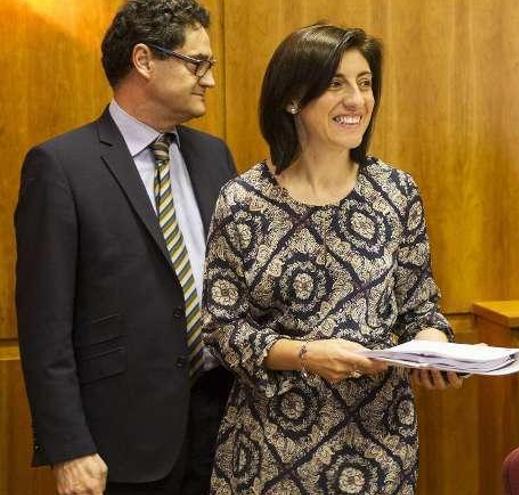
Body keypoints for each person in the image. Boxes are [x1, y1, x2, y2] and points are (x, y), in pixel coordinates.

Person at [201, 24, 460, 495]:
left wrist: (432, 345)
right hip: (271, 453)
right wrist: (306, 355)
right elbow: (222, 330)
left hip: (380, 450)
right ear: (293, 98)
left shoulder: (395, 192)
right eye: (336, 84)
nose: (357, 100)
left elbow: (421, 307)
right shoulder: (242, 201)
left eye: (365, 84)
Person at [14, 1, 236, 494]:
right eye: (198, 63)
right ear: (144, 60)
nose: (210, 80)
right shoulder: (61, 167)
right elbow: (44, 326)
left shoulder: (214, 156)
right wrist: (68, 446)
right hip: (121, 442)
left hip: (222, 427)